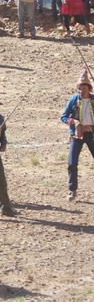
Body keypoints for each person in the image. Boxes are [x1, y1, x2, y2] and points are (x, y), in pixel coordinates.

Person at [61, 69, 94, 202]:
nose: (81, 90)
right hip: (77, 135)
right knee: (72, 163)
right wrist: (72, 121)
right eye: (79, 88)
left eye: (83, 87)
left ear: (88, 88)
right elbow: (63, 116)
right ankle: (72, 189)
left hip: (92, 134)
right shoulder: (73, 100)